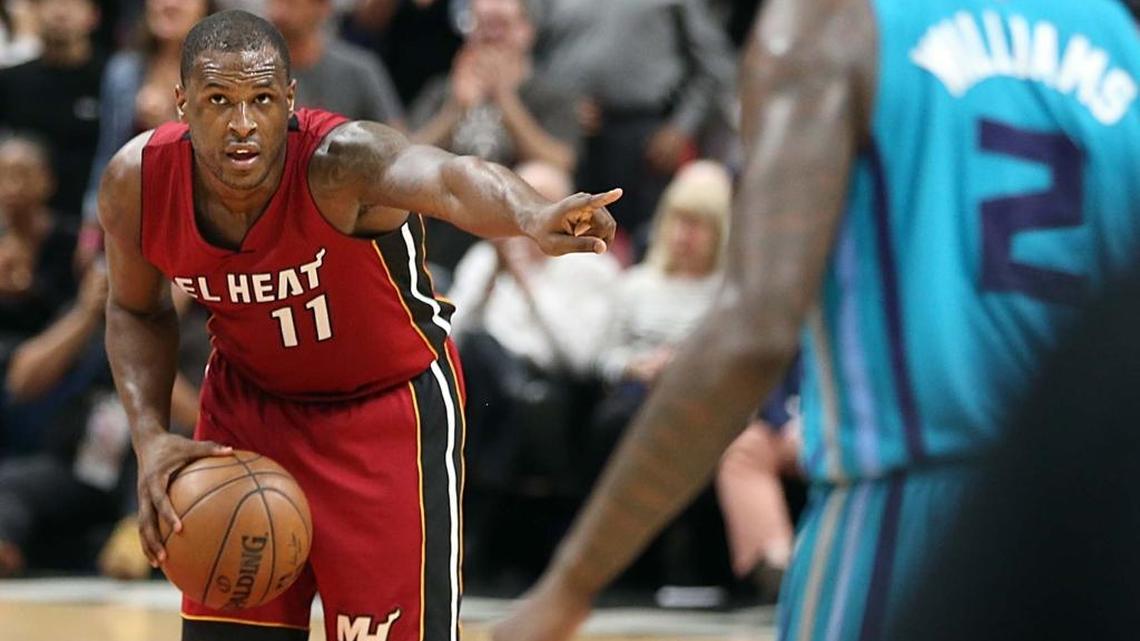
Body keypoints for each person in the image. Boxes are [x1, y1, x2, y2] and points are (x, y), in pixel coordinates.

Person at [492, 0, 1140, 640]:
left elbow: (754, 331)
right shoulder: (1117, 37)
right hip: (1097, 523)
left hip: (900, 516)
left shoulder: (832, 21)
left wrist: (571, 583)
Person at [97, 10, 618, 641]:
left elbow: (451, 180)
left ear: (290, 100)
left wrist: (531, 212)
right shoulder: (138, 182)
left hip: (386, 411)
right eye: (217, 101)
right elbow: (134, 306)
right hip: (250, 409)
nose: (241, 125)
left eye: (261, 99)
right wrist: (150, 438)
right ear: (182, 103)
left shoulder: (342, 162)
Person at [77, 0, 215, 272]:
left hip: (200, 227)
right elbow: (109, 157)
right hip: (132, 221)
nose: (169, 4)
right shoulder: (124, 70)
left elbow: (223, 166)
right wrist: (90, 229)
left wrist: (168, 127)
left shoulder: (224, 73)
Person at [0, 0, 105, 220]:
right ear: (35, 11)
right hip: (23, 223)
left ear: (94, 15)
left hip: (93, 219)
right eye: (49, 2)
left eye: (73, 3)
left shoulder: (112, 78)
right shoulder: (11, 80)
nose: (60, 10)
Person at [266, 0, 405, 126]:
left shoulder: (360, 70)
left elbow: (396, 142)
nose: (278, 12)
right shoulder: (253, 71)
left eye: (291, 3)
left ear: (322, 7)